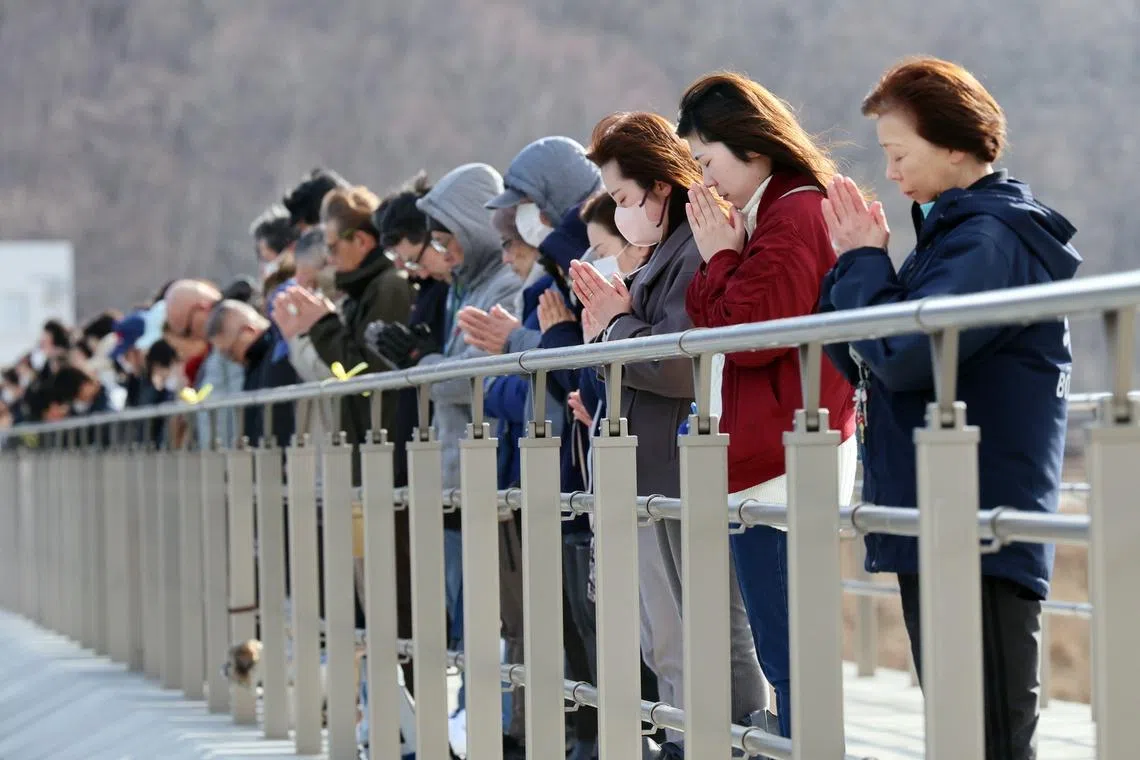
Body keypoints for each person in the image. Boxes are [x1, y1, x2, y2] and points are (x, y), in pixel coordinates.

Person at [818, 56, 1080, 760]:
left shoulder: (990, 238)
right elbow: (864, 361)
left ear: (956, 146)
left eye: (899, 153)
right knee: (964, 730)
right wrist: (852, 265)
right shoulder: (948, 235)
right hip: (941, 512)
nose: (892, 172)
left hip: (979, 522)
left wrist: (867, 262)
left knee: (987, 734)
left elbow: (907, 356)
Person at [676, 72, 859, 739]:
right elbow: (709, 316)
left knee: (788, 641)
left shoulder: (794, 212)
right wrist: (720, 258)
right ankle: (799, 737)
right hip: (767, 453)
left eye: (708, 160)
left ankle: (807, 742)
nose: (705, 180)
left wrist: (720, 258)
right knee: (780, 637)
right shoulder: (763, 215)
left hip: (783, 457)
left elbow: (747, 335)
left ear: (750, 144)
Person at [582, 111, 769, 757]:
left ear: (660, 186)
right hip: (661, 462)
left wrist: (614, 326)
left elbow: (685, 362)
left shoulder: (696, 240)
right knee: (682, 630)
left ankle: (732, 742)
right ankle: (696, 740)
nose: (621, 211)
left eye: (626, 197)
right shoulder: (671, 245)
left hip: (683, 459)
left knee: (715, 629)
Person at [366, 163, 522, 746]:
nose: (438, 252)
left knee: (492, 622)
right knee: (466, 621)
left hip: (486, 473)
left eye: (443, 237)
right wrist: (426, 361)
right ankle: (472, 727)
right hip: (457, 474)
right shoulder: (464, 286)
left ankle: (496, 730)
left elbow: (475, 374)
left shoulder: (498, 285)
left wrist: (423, 364)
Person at [205, 299, 300, 449]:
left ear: (248, 331)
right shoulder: (259, 361)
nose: (233, 360)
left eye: (230, 352)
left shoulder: (278, 356)